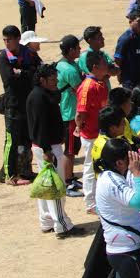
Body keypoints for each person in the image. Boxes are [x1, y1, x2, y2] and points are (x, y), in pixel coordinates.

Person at [94, 138, 140, 278]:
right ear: (119, 163)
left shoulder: (108, 176)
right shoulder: (111, 180)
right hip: (126, 250)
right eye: (130, 159)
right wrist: (137, 174)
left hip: (123, 247)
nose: (134, 161)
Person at [26, 63, 77, 237]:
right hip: (48, 147)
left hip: (43, 147)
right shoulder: (39, 98)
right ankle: (62, 225)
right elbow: (40, 127)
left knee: (46, 185)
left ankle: (46, 220)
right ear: (42, 80)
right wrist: (48, 150)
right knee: (56, 186)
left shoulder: (40, 94)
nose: (56, 82)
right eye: (52, 80)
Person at [0, 24, 40, 186]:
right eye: (5, 40)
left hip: (27, 103)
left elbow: (36, 73)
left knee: (26, 139)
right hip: (12, 105)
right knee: (11, 140)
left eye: (9, 40)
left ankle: (24, 170)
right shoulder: (3, 57)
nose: (7, 43)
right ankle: (9, 175)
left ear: (17, 40)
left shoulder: (28, 54)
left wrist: (20, 72)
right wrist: (26, 73)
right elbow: (8, 80)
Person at [76, 51, 110, 213]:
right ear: (95, 67)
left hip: (100, 132)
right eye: (104, 64)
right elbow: (80, 114)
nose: (107, 66)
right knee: (90, 167)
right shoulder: (88, 87)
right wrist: (80, 127)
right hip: (91, 134)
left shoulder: (100, 83)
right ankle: (90, 202)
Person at [55, 34, 84, 196]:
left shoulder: (63, 64)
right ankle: (67, 182)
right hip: (71, 114)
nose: (80, 50)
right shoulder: (70, 69)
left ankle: (70, 176)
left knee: (72, 147)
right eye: (78, 47)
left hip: (66, 111)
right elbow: (80, 90)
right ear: (71, 50)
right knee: (71, 149)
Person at [116, 9, 140, 89]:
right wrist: (119, 76)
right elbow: (118, 59)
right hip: (130, 81)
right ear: (130, 22)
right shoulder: (125, 39)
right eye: (139, 21)